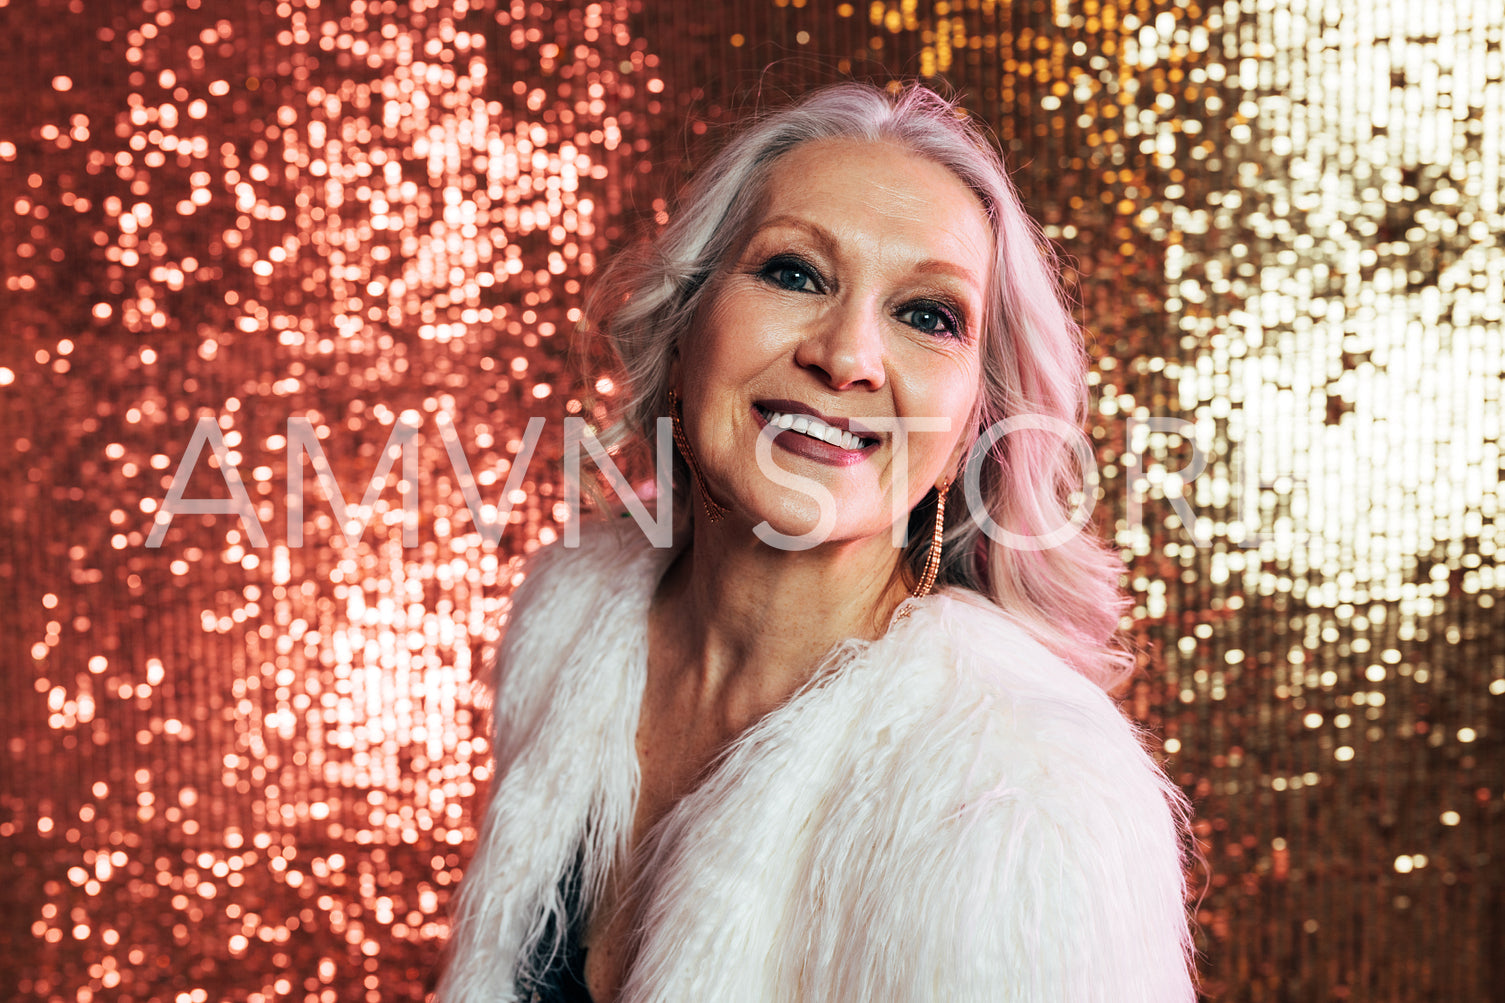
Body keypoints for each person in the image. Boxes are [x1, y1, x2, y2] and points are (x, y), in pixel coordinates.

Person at [438, 82, 1197, 1002]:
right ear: (685, 331)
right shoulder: (568, 624)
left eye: (927, 315)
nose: (845, 357)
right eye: (794, 272)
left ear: (969, 427)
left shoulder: (1019, 792)